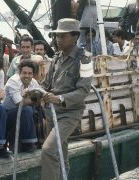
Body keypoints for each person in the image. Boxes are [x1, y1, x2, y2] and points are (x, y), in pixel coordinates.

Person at [41, 18, 93, 179]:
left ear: (75, 37)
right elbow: (46, 84)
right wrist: (35, 92)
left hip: (70, 113)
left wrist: (59, 98)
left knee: (48, 150)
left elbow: (83, 91)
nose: (58, 39)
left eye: (63, 36)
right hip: (51, 112)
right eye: (57, 36)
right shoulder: (56, 58)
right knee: (59, 153)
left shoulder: (85, 59)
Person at [3, 60, 41, 152]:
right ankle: (29, 143)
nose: (27, 76)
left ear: (33, 74)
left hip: (22, 114)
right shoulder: (13, 81)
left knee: (38, 111)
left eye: (29, 73)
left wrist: (31, 99)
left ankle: (41, 142)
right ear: (19, 73)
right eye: (24, 73)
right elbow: (19, 103)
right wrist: (32, 99)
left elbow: (39, 100)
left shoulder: (34, 82)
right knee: (27, 110)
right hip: (7, 114)